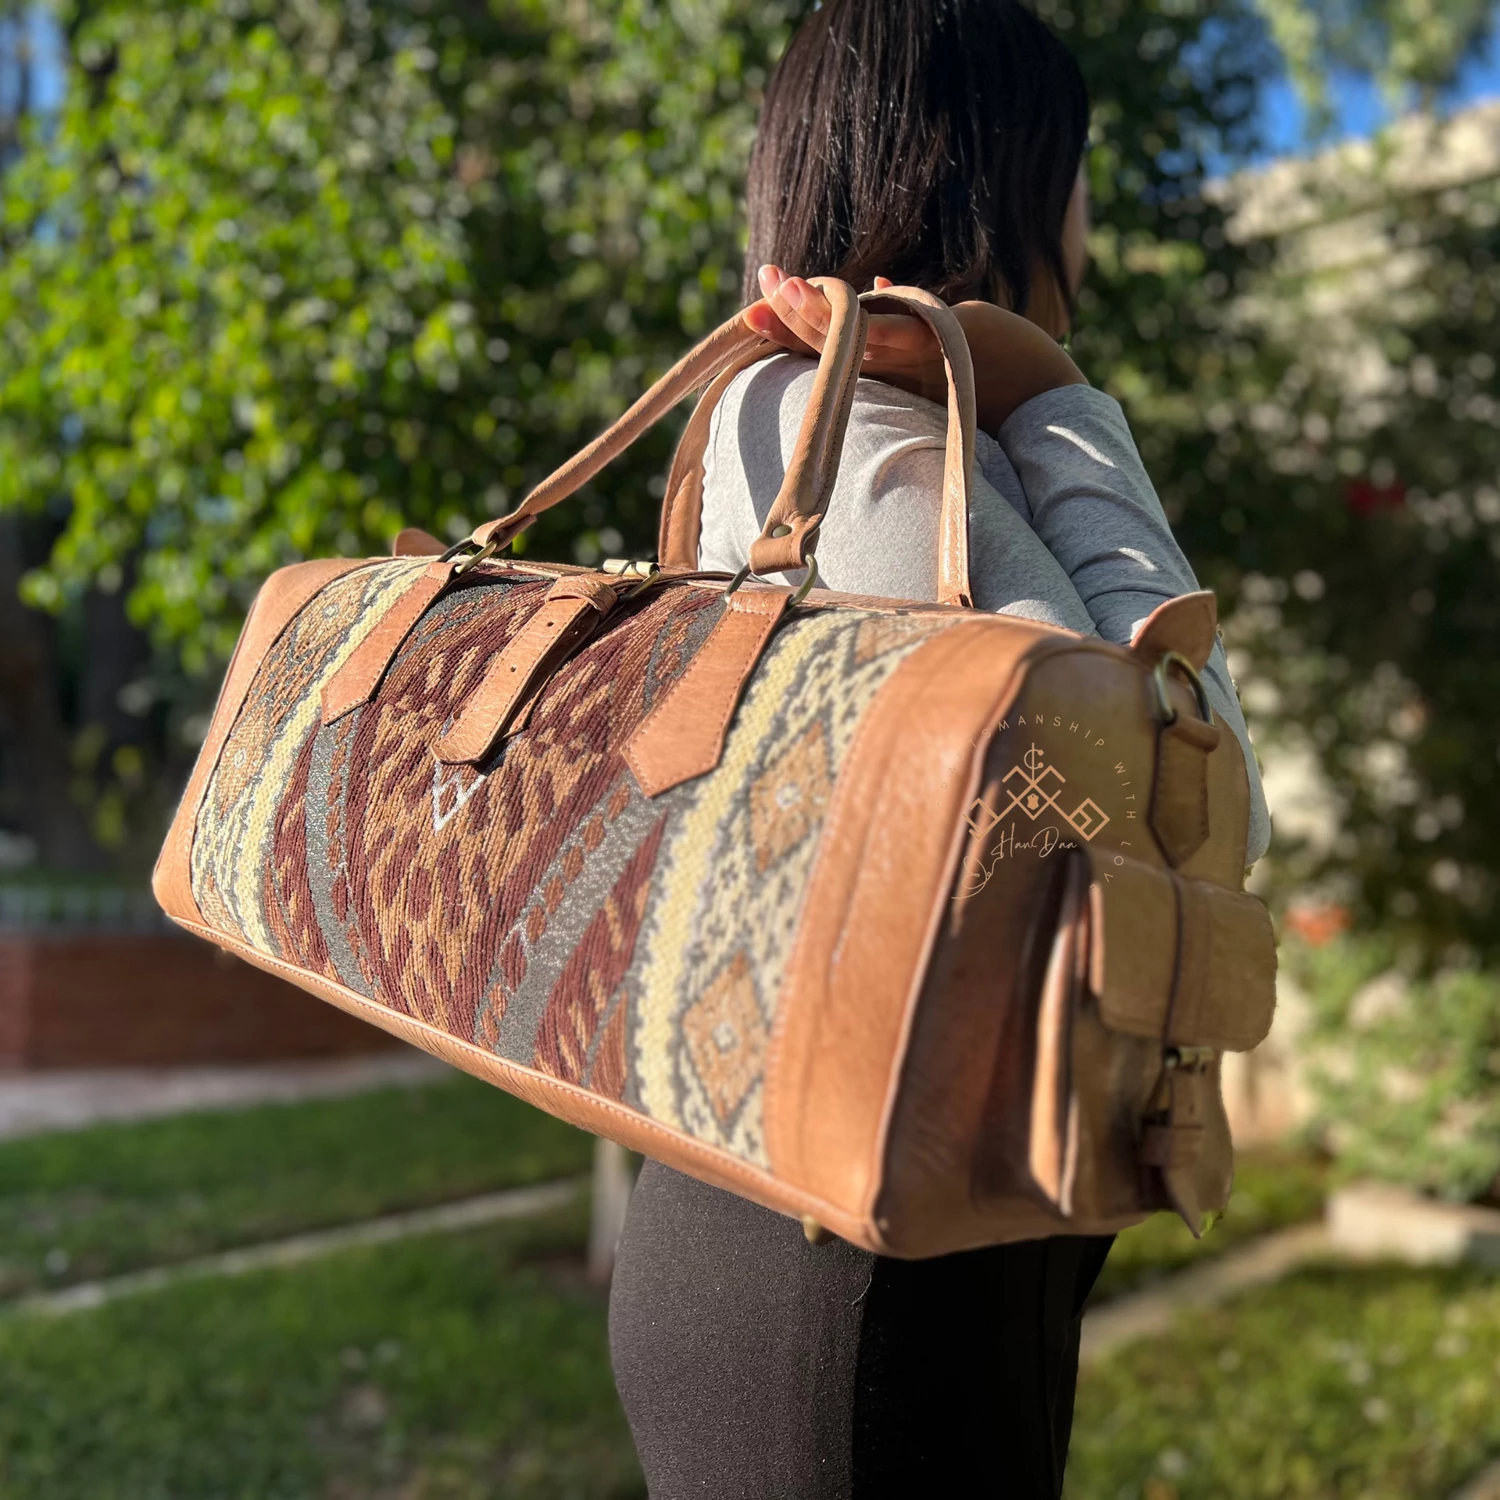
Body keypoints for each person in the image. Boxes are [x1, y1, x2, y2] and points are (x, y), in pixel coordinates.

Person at [608, 3, 1271, 1495]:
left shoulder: (895, 432)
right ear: (1009, 178)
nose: (1093, 213)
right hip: (854, 1286)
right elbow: (1186, 797)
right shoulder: (829, 424)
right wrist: (1060, 396)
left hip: (865, 1235)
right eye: (1081, 168)